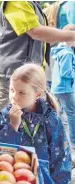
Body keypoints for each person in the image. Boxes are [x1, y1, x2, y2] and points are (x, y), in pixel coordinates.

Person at [0, 1, 75, 130]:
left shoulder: (33, 4)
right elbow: (36, 32)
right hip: (14, 70)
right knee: (4, 110)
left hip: (28, 71)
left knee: (24, 113)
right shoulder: (18, 2)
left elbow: (43, 38)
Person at [0, 63, 72, 184]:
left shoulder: (51, 119)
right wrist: (12, 127)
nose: (14, 97)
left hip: (44, 180)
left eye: (21, 93)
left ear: (38, 94)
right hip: (11, 176)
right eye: (12, 90)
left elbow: (61, 158)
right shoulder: (5, 114)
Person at [50, 24, 75, 165]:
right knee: (72, 114)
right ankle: (73, 142)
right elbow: (66, 73)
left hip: (57, 88)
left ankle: (60, 137)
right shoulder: (67, 53)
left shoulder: (60, 50)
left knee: (60, 114)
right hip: (65, 89)